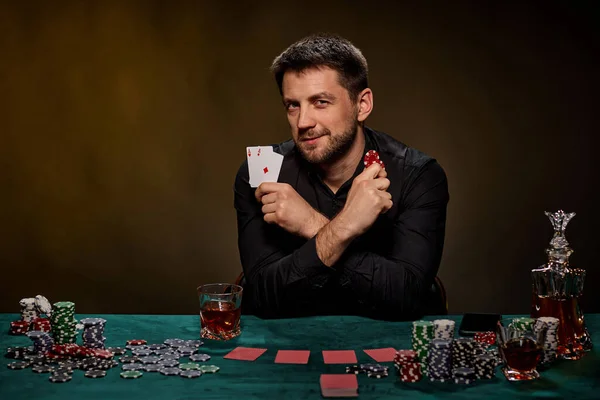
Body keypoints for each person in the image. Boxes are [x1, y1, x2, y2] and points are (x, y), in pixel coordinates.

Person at [233, 33, 449, 321]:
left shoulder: (418, 175)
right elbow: (262, 298)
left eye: (321, 102)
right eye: (292, 105)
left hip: (383, 347)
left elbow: (408, 298)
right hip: (289, 342)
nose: (303, 122)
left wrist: (311, 223)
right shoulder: (261, 171)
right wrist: (345, 226)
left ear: (362, 105)